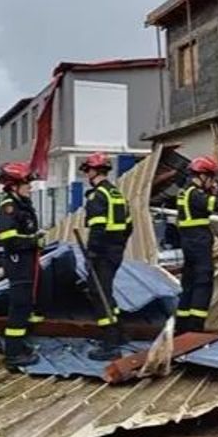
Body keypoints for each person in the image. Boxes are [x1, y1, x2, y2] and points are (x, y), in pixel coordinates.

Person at [80, 152, 133, 361]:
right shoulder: (117, 194)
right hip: (115, 251)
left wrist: (92, 253)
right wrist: (118, 245)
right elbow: (129, 226)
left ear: (93, 172)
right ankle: (120, 334)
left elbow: (98, 228)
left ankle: (110, 344)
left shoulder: (97, 196)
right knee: (107, 292)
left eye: (87, 171)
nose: (87, 175)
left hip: (101, 254)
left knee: (99, 294)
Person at [174, 155, 218, 334]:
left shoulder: (185, 192)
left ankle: (181, 328)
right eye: (211, 177)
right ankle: (195, 328)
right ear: (203, 176)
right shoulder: (195, 194)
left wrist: (210, 191)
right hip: (199, 243)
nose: (211, 181)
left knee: (189, 283)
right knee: (203, 283)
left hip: (188, 242)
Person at [0, 162, 41, 369]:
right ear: (14, 186)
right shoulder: (9, 207)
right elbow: (9, 239)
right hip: (18, 262)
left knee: (25, 306)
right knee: (19, 306)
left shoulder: (22, 204)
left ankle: (19, 346)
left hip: (26, 262)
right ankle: (13, 354)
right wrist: (34, 241)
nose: (30, 187)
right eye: (26, 184)